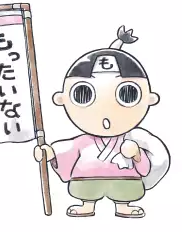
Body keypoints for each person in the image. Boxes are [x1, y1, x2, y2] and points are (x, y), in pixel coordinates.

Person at [34, 26, 170, 218]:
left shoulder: (133, 139)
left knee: (126, 190)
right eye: (83, 94)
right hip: (86, 180)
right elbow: (67, 150)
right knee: (84, 189)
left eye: (127, 95)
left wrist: (137, 154)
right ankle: (87, 204)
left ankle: (123, 205)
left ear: (149, 99)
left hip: (125, 181)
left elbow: (144, 167)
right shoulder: (83, 142)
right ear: (62, 99)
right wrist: (49, 152)